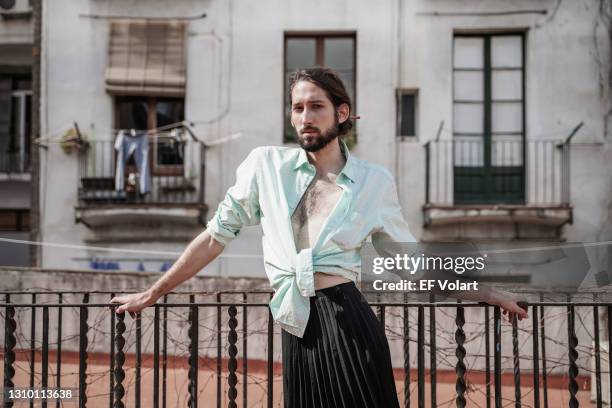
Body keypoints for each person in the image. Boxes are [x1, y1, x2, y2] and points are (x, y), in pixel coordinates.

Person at [110, 67, 528, 408]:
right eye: (297, 108)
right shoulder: (266, 165)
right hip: (296, 325)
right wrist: (153, 292)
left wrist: (488, 292)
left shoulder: (373, 181)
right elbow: (216, 236)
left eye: (316, 107)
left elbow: (410, 262)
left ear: (341, 113)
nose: (305, 117)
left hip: (349, 322)